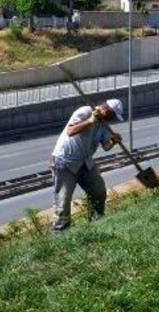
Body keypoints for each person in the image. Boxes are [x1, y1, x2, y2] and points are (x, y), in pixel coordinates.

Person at [50, 99, 124, 231]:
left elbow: (106, 146)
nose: (111, 119)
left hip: (85, 162)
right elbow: (70, 131)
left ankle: (96, 224)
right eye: (111, 115)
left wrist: (113, 141)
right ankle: (60, 233)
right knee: (63, 201)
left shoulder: (104, 125)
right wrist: (91, 120)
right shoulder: (85, 112)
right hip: (65, 161)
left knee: (99, 191)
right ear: (106, 109)